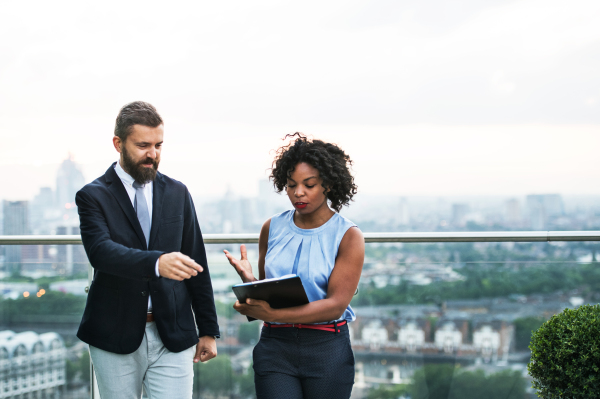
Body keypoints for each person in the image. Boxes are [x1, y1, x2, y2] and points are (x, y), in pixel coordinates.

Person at [76, 101, 220, 399]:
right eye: (142, 145)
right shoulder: (92, 196)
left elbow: (196, 262)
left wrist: (208, 330)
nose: (152, 154)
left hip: (173, 333)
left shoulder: (178, 192)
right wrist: (157, 263)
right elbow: (100, 252)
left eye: (158, 145)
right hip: (114, 332)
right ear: (118, 143)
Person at [224, 133, 365, 399]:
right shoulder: (272, 227)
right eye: (291, 185)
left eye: (309, 184)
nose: (298, 192)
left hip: (326, 348)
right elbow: (274, 295)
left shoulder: (348, 236)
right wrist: (251, 281)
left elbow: (335, 305)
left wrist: (274, 315)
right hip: (276, 346)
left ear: (328, 185)